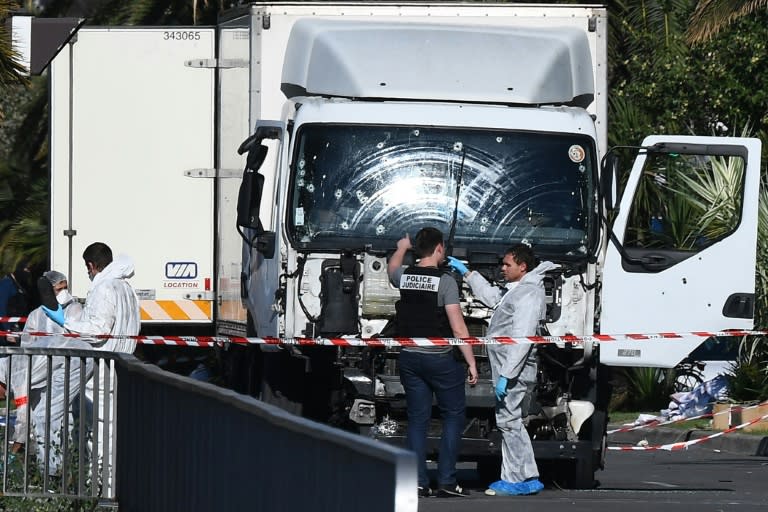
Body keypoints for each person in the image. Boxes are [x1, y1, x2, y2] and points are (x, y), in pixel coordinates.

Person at [447, 244, 556, 496]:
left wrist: (507, 375)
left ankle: (518, 478)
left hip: (515, 371)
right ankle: (523, 476)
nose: (502, 269)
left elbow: (522, 338)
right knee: (510, 422)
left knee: (509, 422)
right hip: (509, 369)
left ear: (523, 267)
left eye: (507, 265)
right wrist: (468, 273)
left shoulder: (529, 295)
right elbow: (493, 297)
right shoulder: (517, 290)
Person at [42, 242, 140, 497]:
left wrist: (67, 322)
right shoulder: (126, 289)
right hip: (121, 364)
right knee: (111, 432)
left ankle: (99, 493)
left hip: (103, 368)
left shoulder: (105, 287)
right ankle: (105, 489)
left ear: (90, 265)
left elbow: (97, 331)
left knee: (98, 433)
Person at [387, 227, 478, 498]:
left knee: (417, 420)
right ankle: (447, 481)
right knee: (452, 417)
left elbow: (392, 268)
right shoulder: (446, 281)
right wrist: (471, 362)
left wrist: (402, 247)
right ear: (439, 248)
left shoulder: (406, 276)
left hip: (410, 357)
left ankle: (417, 481)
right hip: (440, 359)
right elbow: (459, 329)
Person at [0, 270, 92, 477]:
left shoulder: (17, 377)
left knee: (47, 416)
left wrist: (14, 449)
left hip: (70, 365)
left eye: (63, 288)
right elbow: (28, 344)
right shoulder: (36, 315)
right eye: (59, 288)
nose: (62, 293)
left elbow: (22, 418)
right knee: (52, 417)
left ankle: (54, 473)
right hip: (50, 373)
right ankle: (58, 469)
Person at [0, 261, 34, 342]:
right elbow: (1, 307)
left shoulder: (20, 284)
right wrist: (7, 331)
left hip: (19, 327)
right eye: (26, 269)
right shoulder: (7, 283)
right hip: (9, 328)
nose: (28, 272)